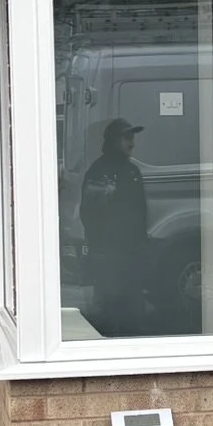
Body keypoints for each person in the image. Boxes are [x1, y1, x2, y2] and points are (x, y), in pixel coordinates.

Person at [79, 118, 149, 335]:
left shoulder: (132, 171)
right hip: (109, 256)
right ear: (113, 140)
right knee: (108, 310)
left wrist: (140, 244)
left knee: (133, 309)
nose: (132, 143)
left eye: (133, 137)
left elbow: (139, 212)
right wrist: (102, 248)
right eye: (127, 137)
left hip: (132, 255)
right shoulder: (100, 172)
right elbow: (90, 214)